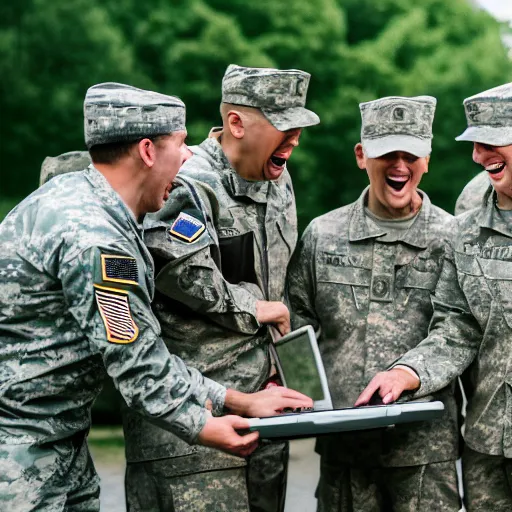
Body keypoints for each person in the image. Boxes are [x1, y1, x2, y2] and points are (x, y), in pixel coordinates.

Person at [0, 82, 312, 511]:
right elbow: (137, 365)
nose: (188, 158)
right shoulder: (98, 241)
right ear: (147, 151)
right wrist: (206, 426)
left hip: (55, 440)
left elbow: (144, 351)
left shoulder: (81, 203)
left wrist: (237, 400)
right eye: (180, 145)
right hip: (19, 451)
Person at [122, 64, 320, 512]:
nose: (293, 139)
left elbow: (281, 281)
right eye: (282, 126)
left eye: (298, 127)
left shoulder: (280, 181)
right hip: (195, 424)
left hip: (266, 414)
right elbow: (178, 271)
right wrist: (256, 308)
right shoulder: (187, 182)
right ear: (236, 123)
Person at [287, 96, 461, 511]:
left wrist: (408, 374)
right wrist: (302, 392)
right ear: (362, 156)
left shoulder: (454, 238)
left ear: (427, 160)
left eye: (411, 154)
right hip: (344, 454)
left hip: (425, 456)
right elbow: (298, 324)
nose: (400, 166)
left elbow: (459, 330)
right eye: (387, 153)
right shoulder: (322, 234)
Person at [356, 82, 512, 511]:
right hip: (489, 447)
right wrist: (408, 372)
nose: (479, 155)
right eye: (475, 144)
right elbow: (458, 325)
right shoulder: (469, 218)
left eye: (492, 141)